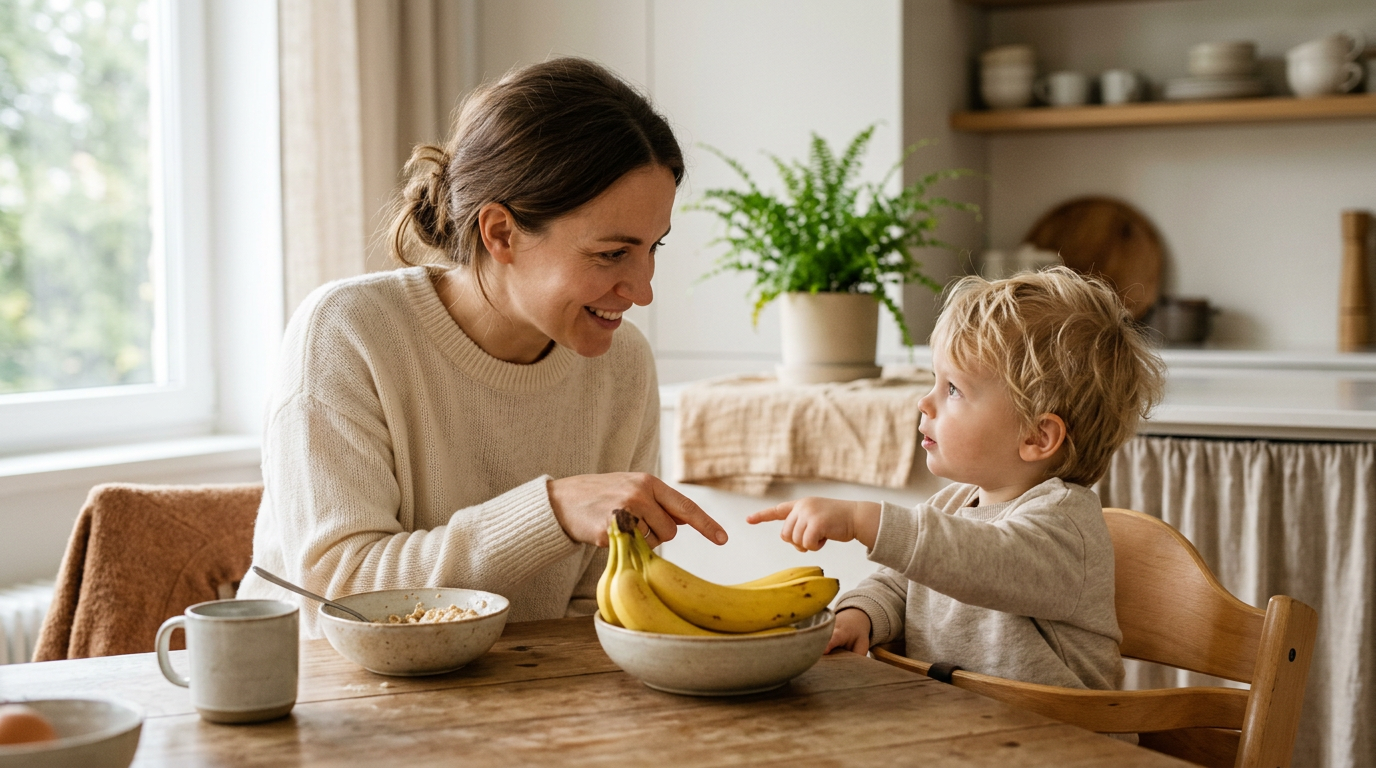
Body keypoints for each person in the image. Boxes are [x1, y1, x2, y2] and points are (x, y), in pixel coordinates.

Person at [238, 57, 727, 637]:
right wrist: (552, 511)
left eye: (654, 248)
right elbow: (338, 591)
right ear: (500, 233)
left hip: (520, 700)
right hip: (323, 701)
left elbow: (597, 609)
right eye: (611, 254)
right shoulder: (346, 332)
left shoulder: (624, 366)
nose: (643, 290)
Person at [747, 267, 1165, 690]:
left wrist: (864, 520)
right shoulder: (950, 506)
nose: (924, 401)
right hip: (960, 733)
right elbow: (900, 584)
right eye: (935, 380)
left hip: (1064, 747)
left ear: (1038, 436)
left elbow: (984, 561)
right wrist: (863, 616)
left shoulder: (1066, 527)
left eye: (953, 390)